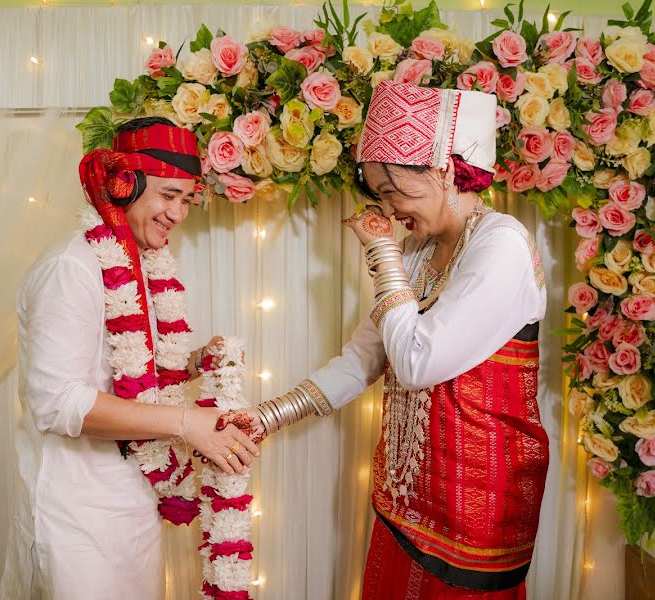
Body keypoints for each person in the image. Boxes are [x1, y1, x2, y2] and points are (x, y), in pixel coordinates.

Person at [226, 82, 549, 598]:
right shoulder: (418, 251)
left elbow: (419, 362)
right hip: (408, 492)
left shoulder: (501, 242)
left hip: (476, 500)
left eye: (394, 189)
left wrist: (382, 255)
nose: (389, 206)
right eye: (380, 193)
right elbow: (364, 357)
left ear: (443, 170)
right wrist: (268, 416)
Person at [0, 116, 259, 600]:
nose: (178, 213)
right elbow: (58, 403)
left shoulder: (142, 262)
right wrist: (186, 423)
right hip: (76, 516)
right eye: (167, 195)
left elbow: (124, 370)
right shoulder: (71, 269)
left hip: (135, 502)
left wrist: (198, 360)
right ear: (124, 186)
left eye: (186, 198)